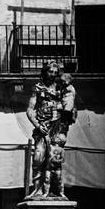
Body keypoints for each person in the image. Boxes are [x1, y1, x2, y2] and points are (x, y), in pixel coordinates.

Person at [26, 61, 77, 199]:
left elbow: (69, 102)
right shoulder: (37, 88)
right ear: (45, 72)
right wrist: (37, 125)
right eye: (50, 72)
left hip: (57, 128)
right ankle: (36, 190)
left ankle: (55, 191)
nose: (53, 75)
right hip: (42, 128)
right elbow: (30, 109)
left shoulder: (62, 87)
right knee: (38, 158)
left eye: (55, 72)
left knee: (54, 160)